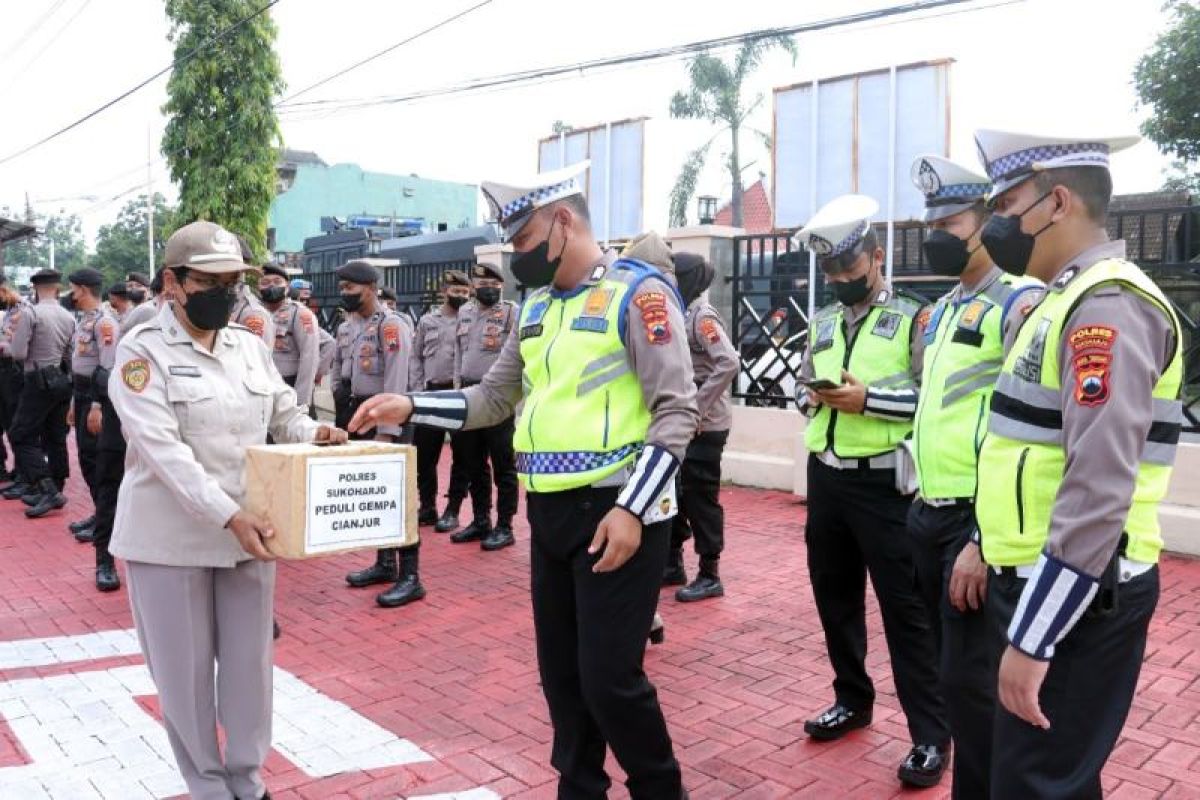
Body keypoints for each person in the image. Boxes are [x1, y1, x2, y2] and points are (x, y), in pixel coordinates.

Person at [350, 161, 697, 799]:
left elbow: (678, 410)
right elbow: (490, 398)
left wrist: (631, 509)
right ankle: (580, 788)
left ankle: (660, 789)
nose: (517, 256)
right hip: (551, 516)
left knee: (610, 679)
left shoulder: (638, 293)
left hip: (620, 513)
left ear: (563, 222)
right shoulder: (536, 307)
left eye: (524, 239)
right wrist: (412, 404)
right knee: (562, 679)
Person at [971, 129, 1178, 798]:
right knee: (1047, 780)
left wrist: (1035, 637)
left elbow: (1097, 489)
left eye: (1005, 205)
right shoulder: (1059, 299)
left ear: (1057, 202)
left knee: (1035, 785)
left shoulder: (1108, 306)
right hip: (1044, 578)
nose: (992, 223)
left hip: (1080, 595)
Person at [110, 220, 347, 800]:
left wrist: (317, 432)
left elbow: (283, 414)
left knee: (249, 669)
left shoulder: (248, 345)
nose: (226, 293)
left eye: (234, 282)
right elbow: (166, 455)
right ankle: (209, 788)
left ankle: (248, 782)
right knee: (184, 678)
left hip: (249, 534)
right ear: (173, 282)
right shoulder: (141, 356)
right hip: (170, 541)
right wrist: (228, 514)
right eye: (210, 281)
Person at [794, 194, 950, 787]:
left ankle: (931, 735)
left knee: (905, 613)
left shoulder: (916, 317)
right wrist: (810, 394)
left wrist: (868, 401)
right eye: (830, 272)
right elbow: (803, 383)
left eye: (848, 269)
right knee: (835, 601)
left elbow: (934, 402)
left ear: (876, 257)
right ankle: (852, 700)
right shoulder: (826, 320)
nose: (838, 281)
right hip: (827, 476)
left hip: (885, 485)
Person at [905, 154, 1040, 798]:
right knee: (952, 678)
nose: (937, 232)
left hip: (974, 521)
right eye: (929, 220)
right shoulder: (937, 311)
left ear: (985, 222)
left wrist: (983, 538)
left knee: (976, 686)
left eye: (951, 219)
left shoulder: (1018, 304)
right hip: (927, 510)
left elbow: (1028, 431)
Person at [337, 260, 426, 609]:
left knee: (400, 496)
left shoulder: (391, 327)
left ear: (371, 288)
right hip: (363, 414)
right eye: (343, 288)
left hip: (389, 419)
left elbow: (397, 380)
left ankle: (411, 576)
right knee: (377, 494)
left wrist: (386, 433)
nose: (345, 295)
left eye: (350, 289)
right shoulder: (354, 325)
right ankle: (385, 563)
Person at [660, 251, 738, 603]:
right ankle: (672, 563)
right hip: (687, 424)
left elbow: (728, 362)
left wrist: (695, 408)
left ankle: (710, 573)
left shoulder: (701, 317)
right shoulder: (678, 313)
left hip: (706, 426)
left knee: (700, 498)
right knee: (674, 493)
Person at [87, 275, 166, 592]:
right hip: (126, 418)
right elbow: (120, 368)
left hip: (165, 425)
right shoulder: (148, 316)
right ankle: (104, 561)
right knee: (111, 490)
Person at [449, 262, 518, 550]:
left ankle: (505, 526)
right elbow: (458, 352)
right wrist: (456, 388)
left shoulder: (512, 313)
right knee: (473, 462)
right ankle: (480, 521)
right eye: (482, 284)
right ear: (474, 287)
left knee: (503, 464)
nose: (487, 288)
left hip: (497, 398)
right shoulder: (464, 312)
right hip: (468, 394)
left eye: (493, 285)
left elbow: (520, 355)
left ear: (501, 286)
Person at [5, 268, 74, 517]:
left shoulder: (30, 312)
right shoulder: (68, 316)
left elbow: (19, 352)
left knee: (20, 434)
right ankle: (57, 485)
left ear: (35, 288)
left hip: (36, 378)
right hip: (60, 379)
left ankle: (46, 488)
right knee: (55, 436)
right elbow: (70, 354)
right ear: (57, 288)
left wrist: (8, 342)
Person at [410, 271, 472, 531]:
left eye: (465, 292)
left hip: (459, 395)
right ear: (445, 291)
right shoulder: (427, 321)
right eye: (455, 291)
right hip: (431, 393)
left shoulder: (472, 319)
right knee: (424, 456)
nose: (460, 296)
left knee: (463, 456)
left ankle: (453, 509)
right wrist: (417, 391)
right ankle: (427, 507)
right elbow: (416, 357)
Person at [64, 269, 120, 539]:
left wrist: (97, 406)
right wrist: (76, 402)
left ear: (83, 290)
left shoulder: (104, 323)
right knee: (86, 457)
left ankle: (107, 519)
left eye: (72, 289)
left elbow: (108, 367)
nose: (70, 294)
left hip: (97, 395)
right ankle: (100, 513)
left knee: (97, 459)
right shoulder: (85, 320)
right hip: (82, 391)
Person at [258, 264, 320, 411]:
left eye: (277, 282)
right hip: (259, 389)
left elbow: (309, 358)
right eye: (265, 283)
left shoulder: (300, 314)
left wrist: (301, 403)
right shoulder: (254, 313)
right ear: (258, 288)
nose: (271, 286)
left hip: (288, 387)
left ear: (286, 287)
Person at [0, 277, 22, 482]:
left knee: (13, 420)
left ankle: (21, 471)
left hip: (10, 369)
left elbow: (17, 342)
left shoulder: (18, 309)